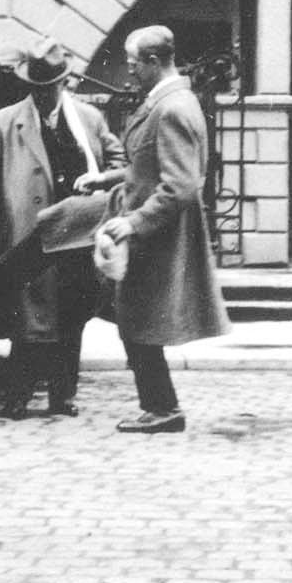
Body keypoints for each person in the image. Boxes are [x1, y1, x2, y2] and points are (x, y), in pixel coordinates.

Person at [0, 37, 126, 418]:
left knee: (73, 313)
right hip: (31, 235)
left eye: (50, 87)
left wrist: (103, 180)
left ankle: (63, 395)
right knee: (28, 318)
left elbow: (120, 165)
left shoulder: (90, 120)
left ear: (63, 83)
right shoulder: (4, 122)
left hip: (79, 232)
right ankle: (18, 394)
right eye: (37, 88)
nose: (44, 95)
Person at [97, 25, 230, 434]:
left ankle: (164, 409)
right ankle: (157, 405)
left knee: (139, 322)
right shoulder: (165, 102)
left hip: (158, 235)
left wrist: (134, 222)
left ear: (155, 62)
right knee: (136, 320)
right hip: (151, 233)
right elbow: (148, 164)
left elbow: (181, 185)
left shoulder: (172, 108)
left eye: (134, 63)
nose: (129, 71)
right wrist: (107, 180)